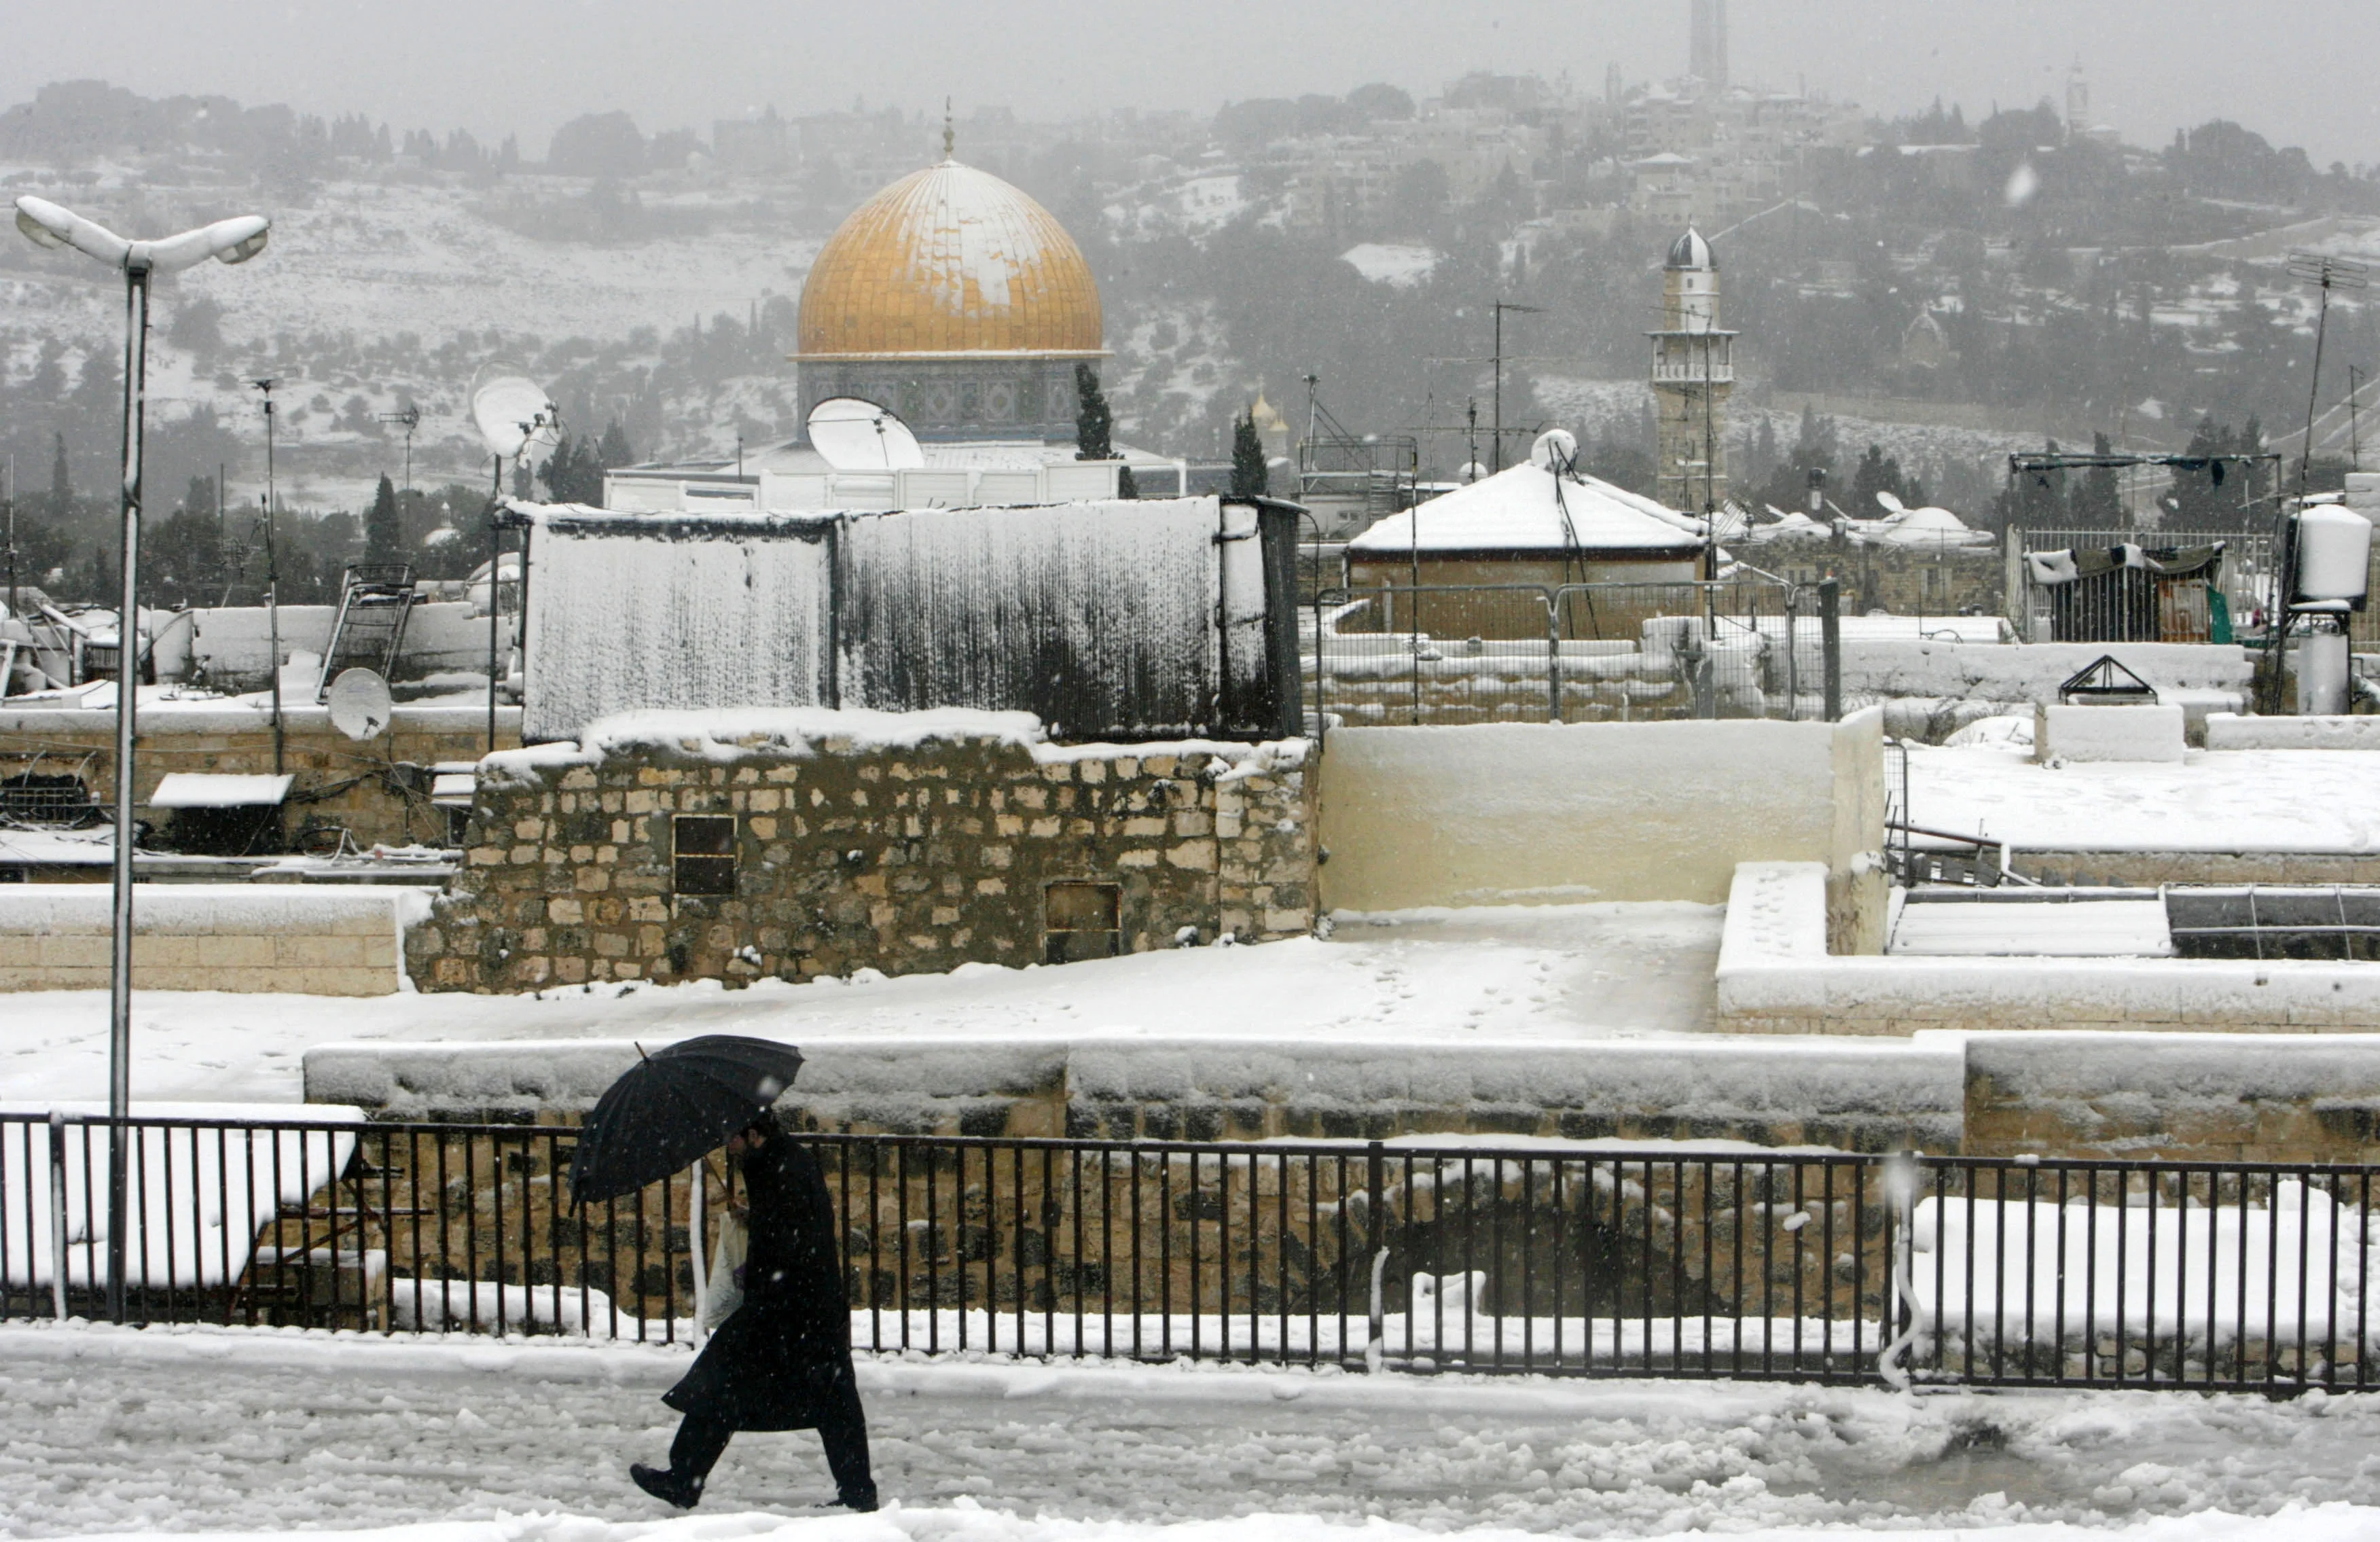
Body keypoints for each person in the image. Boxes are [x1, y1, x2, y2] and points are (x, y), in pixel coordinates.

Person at [631, 1111, 876, 1511]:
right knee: (830, 1399)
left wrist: (760, 1271)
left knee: (724, 1382)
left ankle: (684, 1478)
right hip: (803, 1303)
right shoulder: (778, 1161)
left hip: (788, 1304)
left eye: (733, 1136)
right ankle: (857, 1492)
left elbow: (795, 1235)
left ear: (755, 1133)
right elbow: (792, 1226)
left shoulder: (783, 1167)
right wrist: (755, 1218)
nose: (729, 1145)